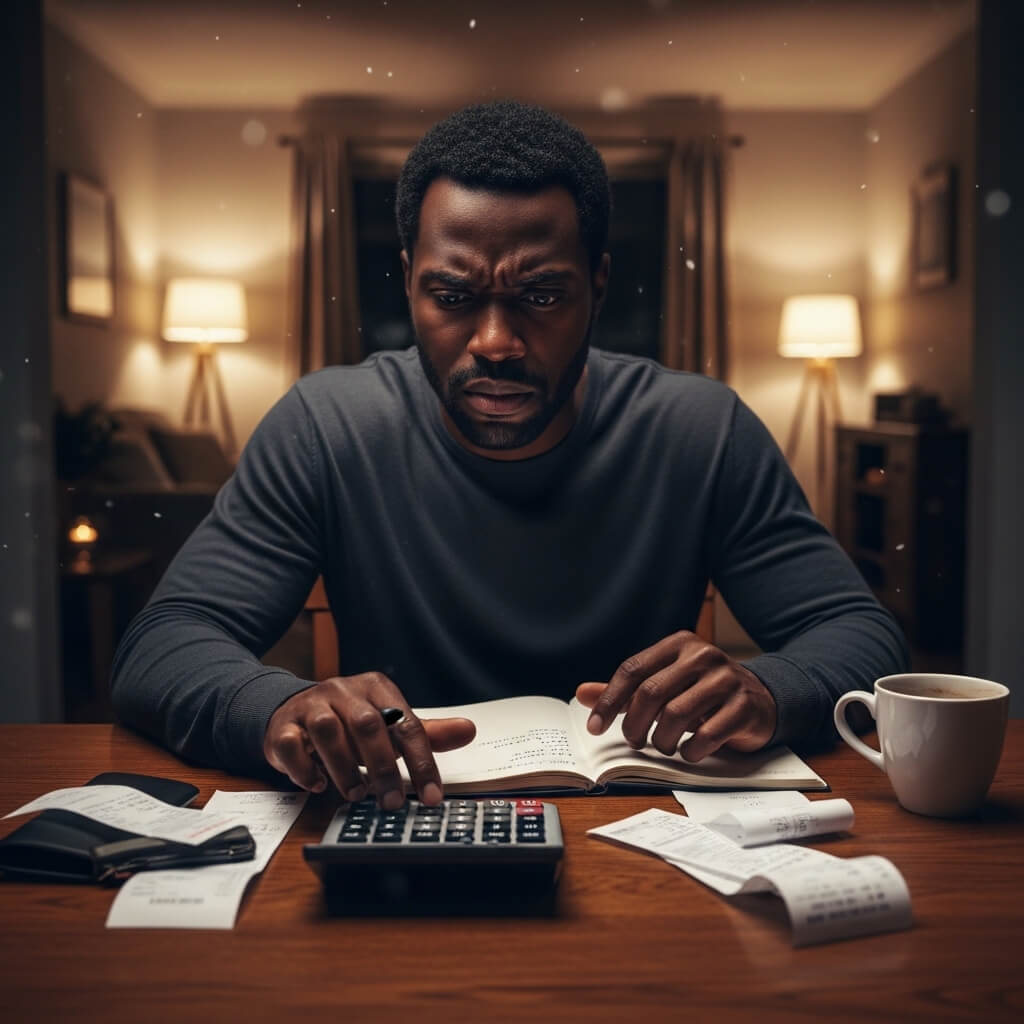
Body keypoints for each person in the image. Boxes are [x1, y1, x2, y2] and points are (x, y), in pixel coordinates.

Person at [112, 101, 907, 810]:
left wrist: (772, 687)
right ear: (409, 284)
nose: (495, 343)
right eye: (453, 298)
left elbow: (858, 633)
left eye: (542, 295)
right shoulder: (326, 425)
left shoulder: (701, 429)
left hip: (644, 829)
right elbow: (164, 643)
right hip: (397, 817)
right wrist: (278, 707)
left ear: (597, 284)